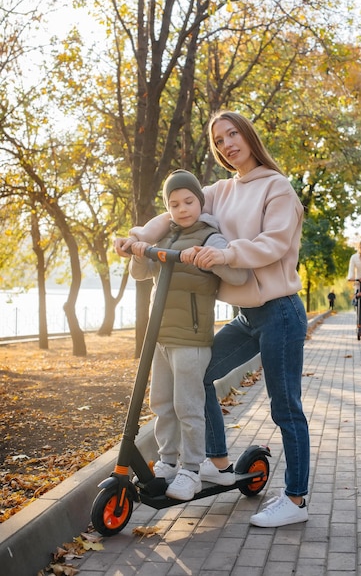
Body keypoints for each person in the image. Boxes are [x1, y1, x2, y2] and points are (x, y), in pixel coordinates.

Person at [116, 111, 310, 528]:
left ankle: (295, 500)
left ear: (248, 136)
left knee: (285, 408)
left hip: (281, 312)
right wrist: (139, 238)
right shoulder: (220, 191)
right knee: (200, 375)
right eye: (219, 140)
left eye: (232, 134)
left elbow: (273, 244)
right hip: (246, 316)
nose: (227, 144)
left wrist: (225, 254)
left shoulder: (277, 188)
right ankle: (217, 462)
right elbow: (174, 211)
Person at [127, 169, 247, 501]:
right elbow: (141, 273)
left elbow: (237, 275)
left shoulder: (211, 237)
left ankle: (191, 469)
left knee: (188, 406)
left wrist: (213, 260)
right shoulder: (165, 237)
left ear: (200, 201)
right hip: (161, 338)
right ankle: (167, 462)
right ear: (168, 207)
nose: (182, 209)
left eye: (188, 201)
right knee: (162, 404)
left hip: (191, 340)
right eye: (174, 203)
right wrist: (138, 250)